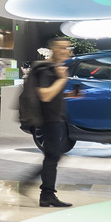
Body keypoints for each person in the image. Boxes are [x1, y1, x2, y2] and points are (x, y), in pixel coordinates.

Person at [27, 37, 78, 208]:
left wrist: (69, 95)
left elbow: (52, 95)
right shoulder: (46, 70)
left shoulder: (54, 69)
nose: (66, 51)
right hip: (48, 120)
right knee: (53, 156)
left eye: (68, 48)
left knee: (53, 155)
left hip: (55, 117)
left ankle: (43, 192)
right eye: (62, 48)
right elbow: (45, 95)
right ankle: (46, 194)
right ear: (54, 49)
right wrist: (62, 80)